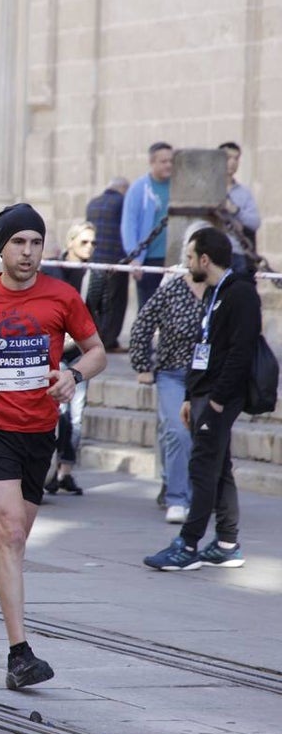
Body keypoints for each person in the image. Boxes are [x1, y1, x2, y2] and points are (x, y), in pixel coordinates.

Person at [0, 203, 106, 689]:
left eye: (36, 242)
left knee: (14, 535)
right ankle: (19, 655)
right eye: (19, 242)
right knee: (11, 530)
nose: (29, 252)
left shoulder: (61, 296)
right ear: (2, 247)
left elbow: (96, 352)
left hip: (39, 431)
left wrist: (74, 375)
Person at [143, 228, 259, 571]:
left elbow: (241, 352)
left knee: (202, 467)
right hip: (204, 393)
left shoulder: (241, 294)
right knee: (219, 468)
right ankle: (226, 542)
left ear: (205, 260)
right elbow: (202, 348)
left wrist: (218, 401)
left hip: (221, 396)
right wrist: (190, 396)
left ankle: (188, 544)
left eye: (190, 257)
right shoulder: (214, 292)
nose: (188, 264)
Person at [129, 260, 203, 525]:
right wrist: (142, 364)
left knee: (201, 435)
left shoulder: (222, 292)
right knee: (177, 430)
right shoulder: (173, 289)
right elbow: (142, 324)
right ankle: (177, 498)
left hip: (207, 377)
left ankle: (196, 494)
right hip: (172, 373)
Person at [42, 222, 96, 495]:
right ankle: (50, 469)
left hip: (79, 354)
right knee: (59, 414)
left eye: (92, 243)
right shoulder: (53, 270)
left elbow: (100, 315)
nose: (89, 248)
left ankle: (65, 471)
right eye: (84, 242)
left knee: (75, 417)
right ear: (71, 242)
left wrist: (80, 340)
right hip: (54, 353)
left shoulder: (95, 276)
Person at [121, 142, 173, 310]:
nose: (168, 165)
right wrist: (134, 258)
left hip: (172, 257)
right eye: (163, 161)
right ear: (152, 162)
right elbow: (129, 223)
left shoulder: (177, 185)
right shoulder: (139, 188)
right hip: (149, 258)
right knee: (148, 308)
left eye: (171, 161)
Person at [86, 178, 129, 352]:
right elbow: (126, 229)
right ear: (123, 188)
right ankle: (110, 341)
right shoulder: (122, 201)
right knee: (115, 302)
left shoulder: (93, 203)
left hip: (95, 258)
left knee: (97, 302)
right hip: (116, 259)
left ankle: (96, 338)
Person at [218, 142, 260, 275]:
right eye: (228, 158)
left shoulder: (244, 192)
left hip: (237, 252)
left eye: (236, 159)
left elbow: (255, 222)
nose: (232, 162)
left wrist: (236, 210)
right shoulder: (208, 189)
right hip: (214, 252)